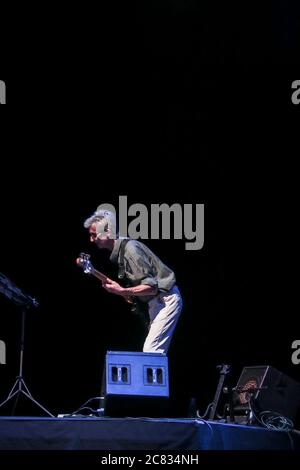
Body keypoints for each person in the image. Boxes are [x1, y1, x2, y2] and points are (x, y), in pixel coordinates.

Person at [77, 206, 183, 354]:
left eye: (94, 235)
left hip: (165, 300)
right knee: (152, 352)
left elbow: (151, 287)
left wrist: (123, 291)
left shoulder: (130, 250)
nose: (91, 239)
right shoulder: (121, 252)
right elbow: (128, 290)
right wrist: (93, 270)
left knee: (151, 351)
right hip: (155, 303)